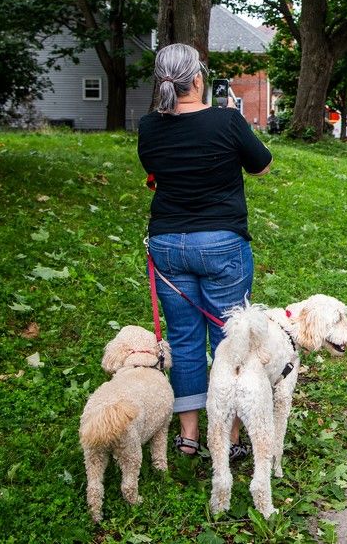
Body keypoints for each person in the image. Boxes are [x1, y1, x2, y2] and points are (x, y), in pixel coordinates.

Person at [137, 43, 273, 461]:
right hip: (221, 244)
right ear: (197, 79)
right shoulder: (227, 121)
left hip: (168, 245)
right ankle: (229, 440)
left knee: (184, 339)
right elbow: (262, 165)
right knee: (229, 340)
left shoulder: (148, 127)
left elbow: (154, 174)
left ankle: (189, 437)